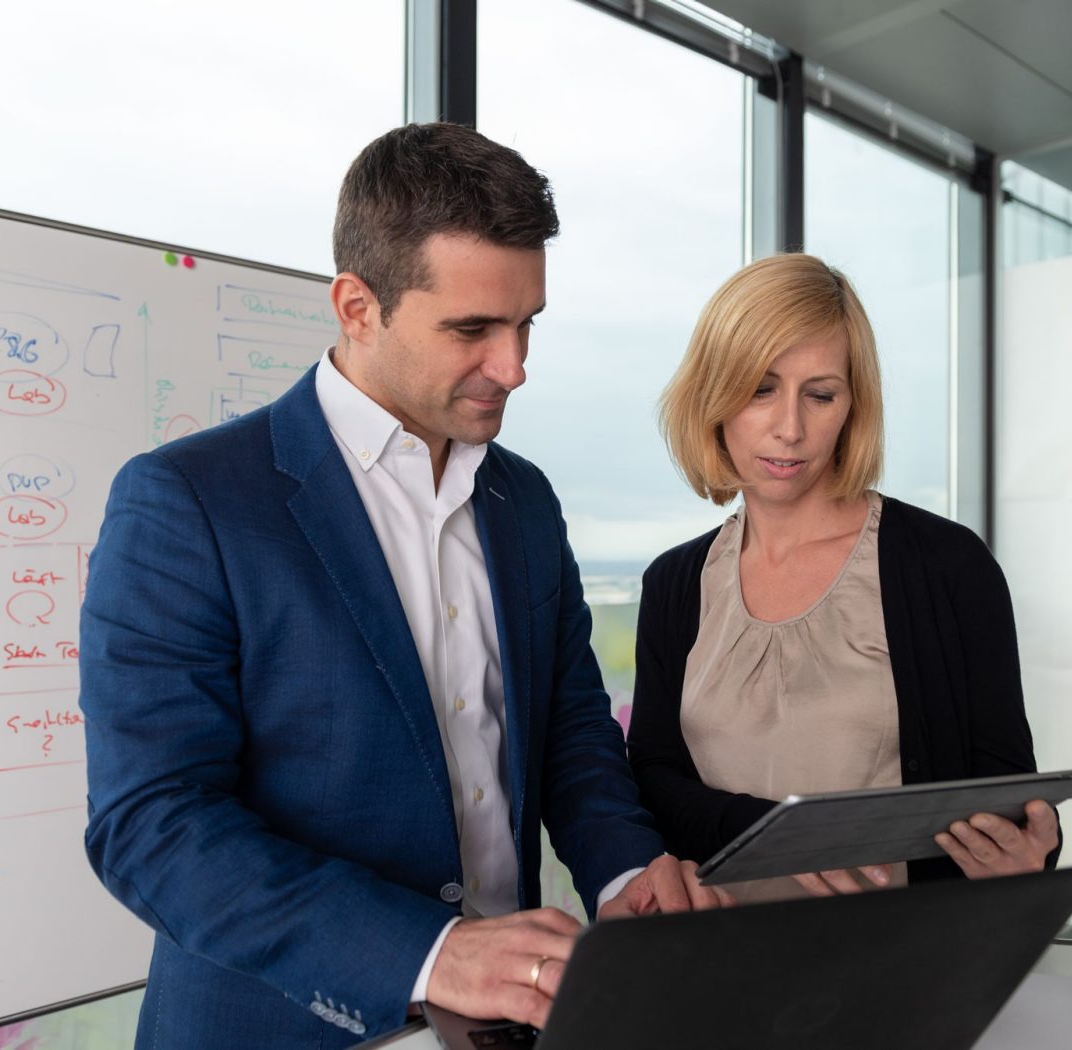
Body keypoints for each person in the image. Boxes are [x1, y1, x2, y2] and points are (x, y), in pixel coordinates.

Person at [80, 123, 724, 1050]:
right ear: (356, 306)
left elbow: (568, 727)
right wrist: (428, 952)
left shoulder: (524, 498)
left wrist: (627, 870)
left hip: (509, 1027)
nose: (514, 367)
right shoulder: (187, 501)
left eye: (526, 324)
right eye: (472, 329)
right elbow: (152, 823)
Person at [627, 252, 1059, 903]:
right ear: (714, 396)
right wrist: (776, 832)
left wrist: (1026, 855)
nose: (790, 428)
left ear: (853, 404)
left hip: (900, 965)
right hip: (714, 964)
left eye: (820, 394)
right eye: (759, 389)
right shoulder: (674, 583)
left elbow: (1004, 799)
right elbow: (654, 782)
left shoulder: (948, 567)